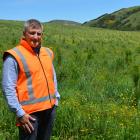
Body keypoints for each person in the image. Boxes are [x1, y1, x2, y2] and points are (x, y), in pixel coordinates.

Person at [2, 19, 60, 140]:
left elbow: (52, 76)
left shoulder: (47, 52)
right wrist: (19, 113)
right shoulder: (14, 55)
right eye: (32, 33)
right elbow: (8, 87)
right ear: (24, 34)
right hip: (29, 115)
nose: (36, 36)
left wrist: (56, 98)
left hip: (49, 109)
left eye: (39, 34)